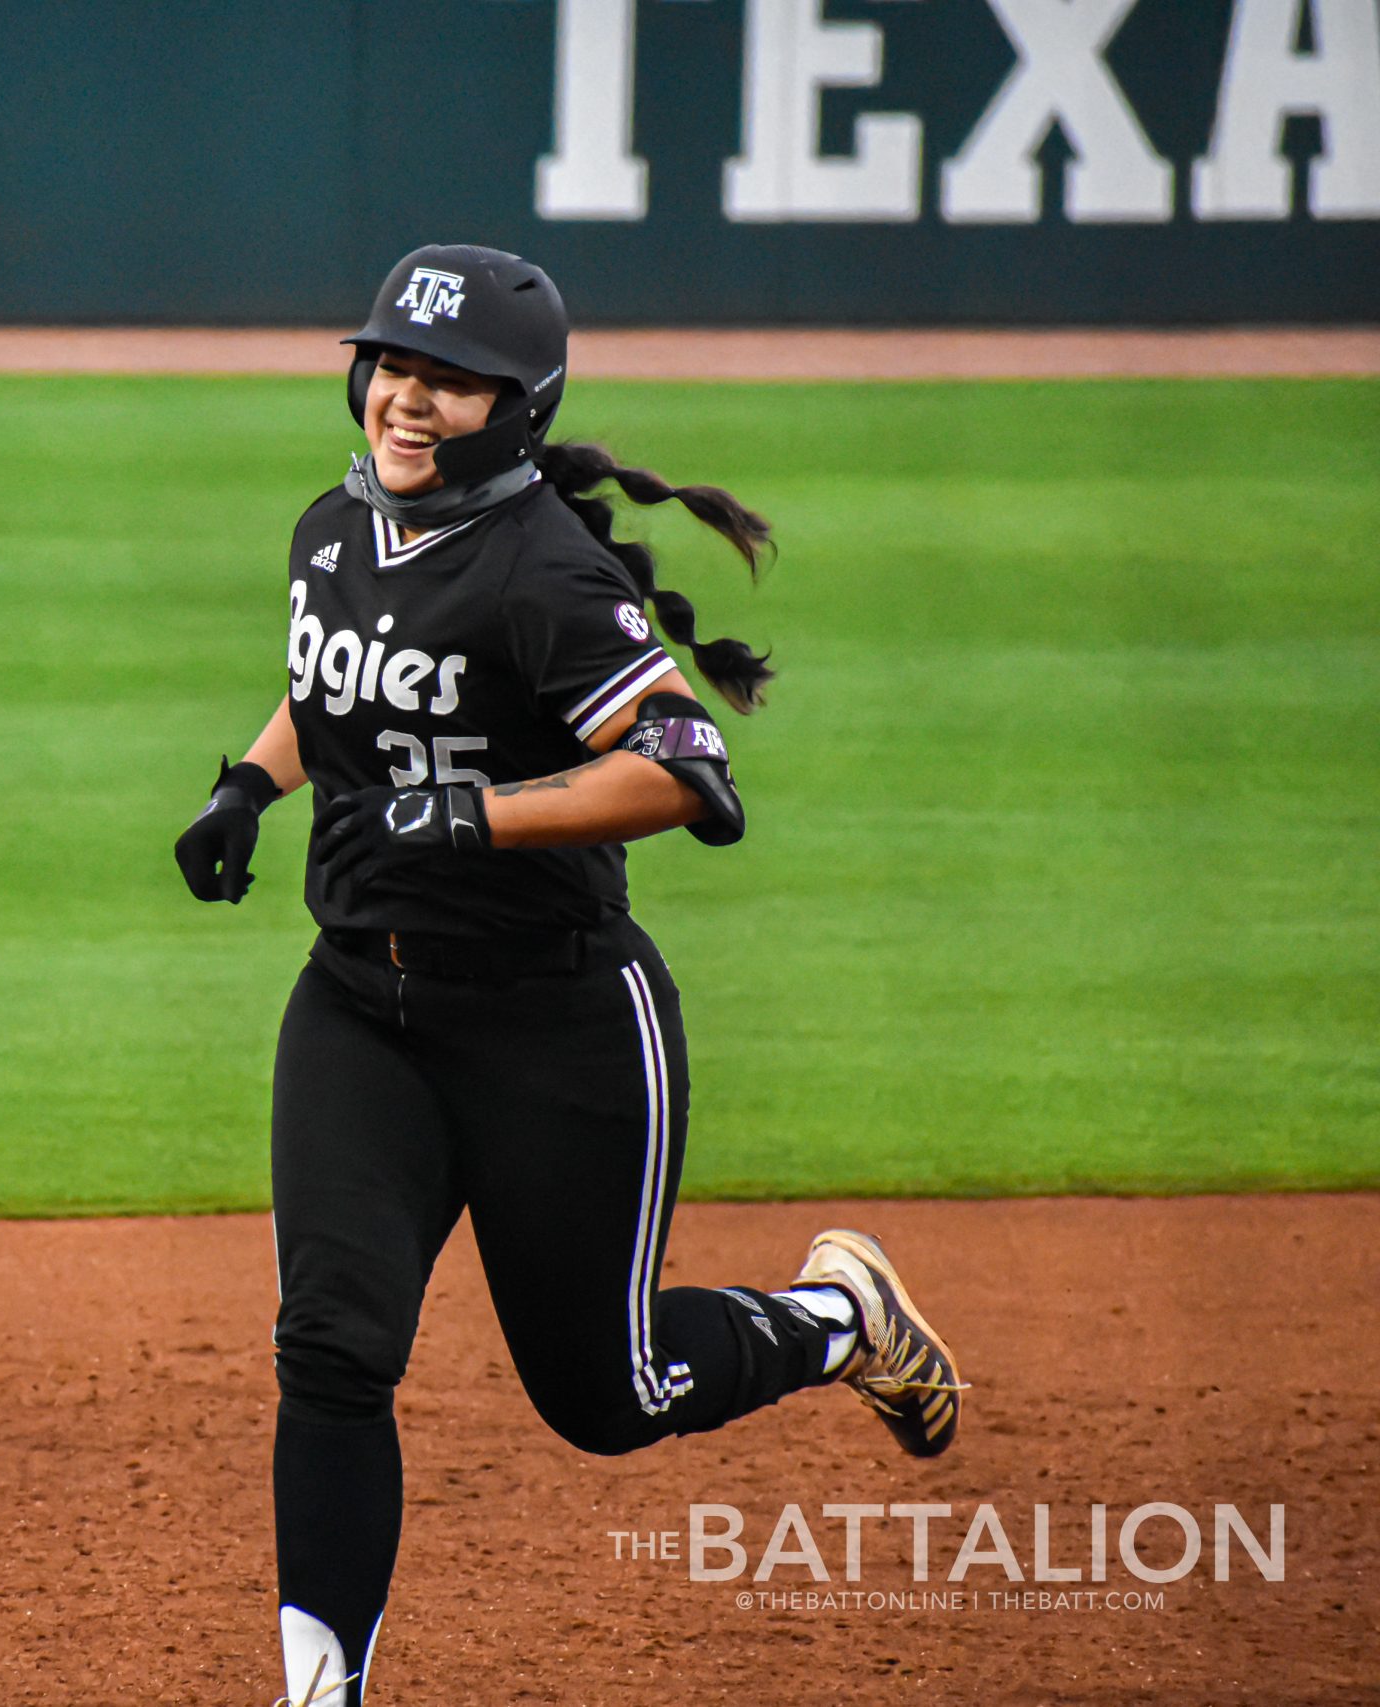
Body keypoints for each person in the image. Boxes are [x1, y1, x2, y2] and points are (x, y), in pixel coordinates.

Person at [172, 246, 967, 1707]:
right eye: (391, 365)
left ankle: (841, 1318)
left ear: (518, 408)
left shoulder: (547, 571)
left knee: (611, 1400)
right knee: (332, 1350)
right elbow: (343, 674)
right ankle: (322, 1694)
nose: (405, 399)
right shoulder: (335, 526)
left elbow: (691, 770)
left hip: (555, 1028)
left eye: (449, 382)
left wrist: (474, 813)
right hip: (358, 1006)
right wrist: (249, 783)